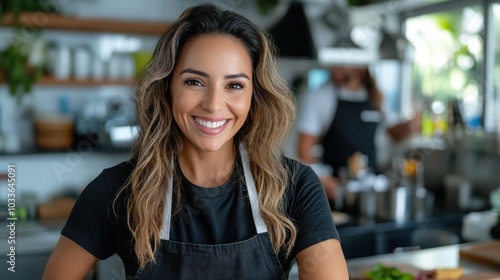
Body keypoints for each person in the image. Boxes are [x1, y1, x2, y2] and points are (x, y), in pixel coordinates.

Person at [43, 3, 348, 280]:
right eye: (194, 81)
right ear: (166, 88)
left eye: (235, 85)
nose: (214, 104)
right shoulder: (117, 190)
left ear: (254, 97)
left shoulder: (295, 187)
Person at [296, 65, 419, 205]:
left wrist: (409, 127)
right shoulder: (321, 95)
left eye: (343, 62)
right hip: (338, 193)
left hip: (371, 192)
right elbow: (304, 149)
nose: (335, 66)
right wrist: (322, 179)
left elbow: (395, 133)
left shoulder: (376, 97)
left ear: (361, 66)